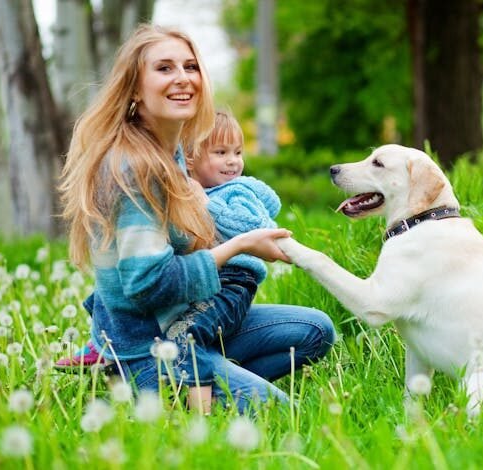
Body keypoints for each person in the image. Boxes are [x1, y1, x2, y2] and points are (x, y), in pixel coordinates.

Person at [58, 24, 335, 413]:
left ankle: (207, 378)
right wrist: (239, 245)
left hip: (187, 328)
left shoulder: (170, 154)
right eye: (165, 69)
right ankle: (163, 384)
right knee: (278, 413)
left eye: (190, 66)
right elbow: (147, 285)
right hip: (150, 345)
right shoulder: (134, 167)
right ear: (135, 88)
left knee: (315, 330)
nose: (183, 78)